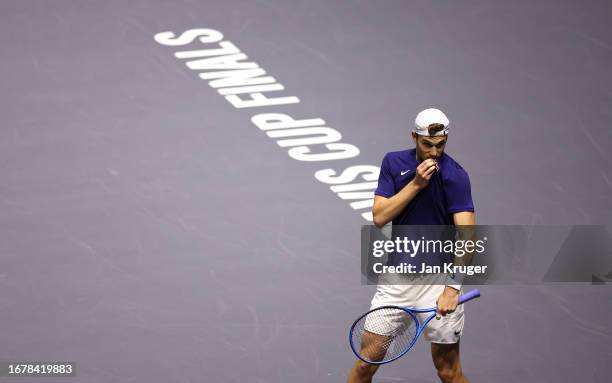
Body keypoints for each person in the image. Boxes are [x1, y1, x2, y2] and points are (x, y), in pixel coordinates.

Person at [347, 108, 475, 383]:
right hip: (396, 283)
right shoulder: (393, 163)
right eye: (427, 144)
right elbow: (380, 216)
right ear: (414, 137)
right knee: (365, 364)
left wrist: (453, 288)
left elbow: (468, 236)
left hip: (439, 283)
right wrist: (416, 184)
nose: (434, 152)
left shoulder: (456, 177)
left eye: (440, 145)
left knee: (449, 372)